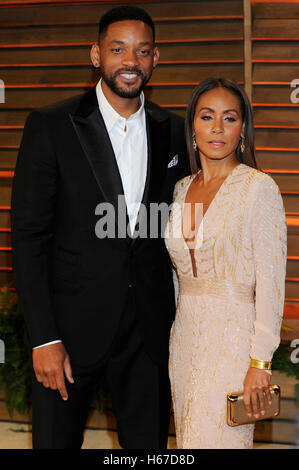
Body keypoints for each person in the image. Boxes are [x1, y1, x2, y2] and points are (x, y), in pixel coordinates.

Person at [11, 6, 189, 449]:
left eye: (142, 51)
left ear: (155, 59)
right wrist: (44, 338)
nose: (131, 60)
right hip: (68, 335)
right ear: (96, 55)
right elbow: (28, 238)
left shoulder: (177, 132)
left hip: (148, 337)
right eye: (118, 49)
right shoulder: (51, 126)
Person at [165, 78, 287, 449]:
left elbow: (271, 283)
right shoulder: (181, 188)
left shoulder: (258, 188)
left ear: (243, 129)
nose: (217, 128)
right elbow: (176, 274)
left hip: (234, 344)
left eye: (229, 118)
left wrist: (260, 363)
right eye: (207, 117)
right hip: (183, 342)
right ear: (193, 127)